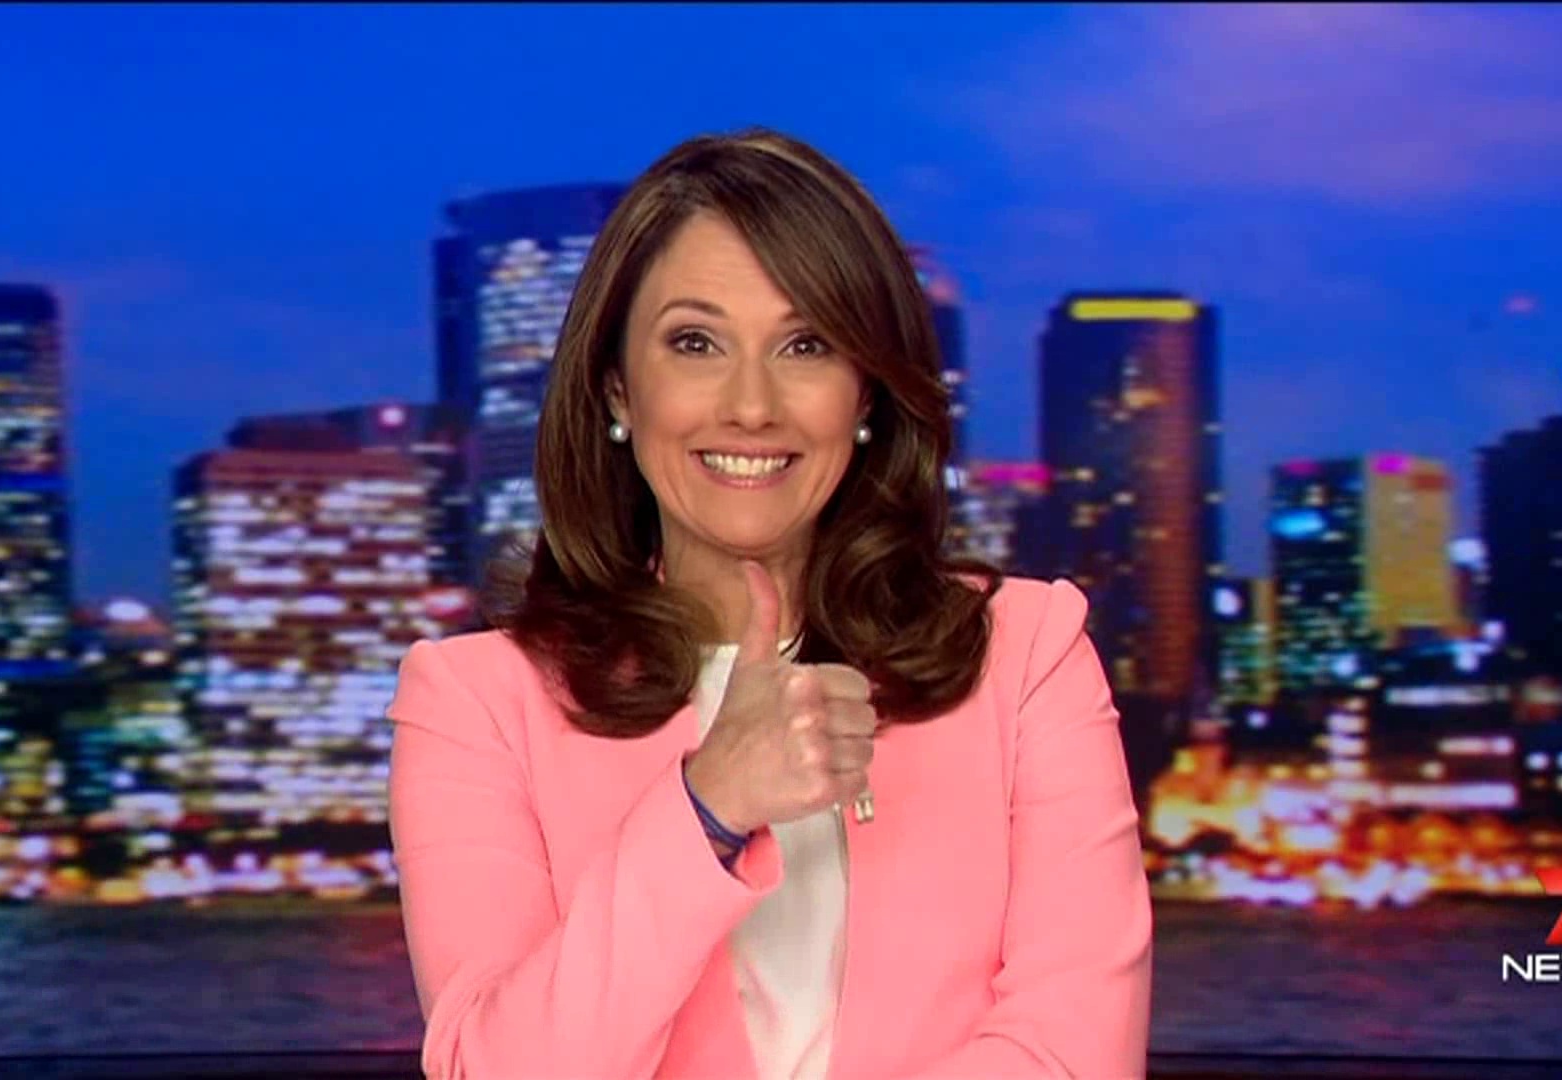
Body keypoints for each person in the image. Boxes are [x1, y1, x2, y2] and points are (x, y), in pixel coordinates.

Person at [386, 128, 1153, 1079]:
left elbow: (1074, 1054)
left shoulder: (1027, 655)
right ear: (618, 389)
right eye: (696, 343)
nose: (751, 405)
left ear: (865, 393)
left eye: (806, 344)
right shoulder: (475, 703)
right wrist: (707, 805)